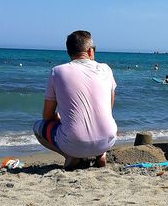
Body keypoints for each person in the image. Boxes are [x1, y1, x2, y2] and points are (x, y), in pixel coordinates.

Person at [33, 30, 118, 170]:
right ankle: (100, 154)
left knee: (38, 126)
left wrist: (59, 117)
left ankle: (69, 156)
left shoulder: (57, 71)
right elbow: (109, 107)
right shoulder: (106, 69)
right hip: (108, 139)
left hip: (74, 143)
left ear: (69, 52)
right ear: (90, 51)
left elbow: (47, 116)